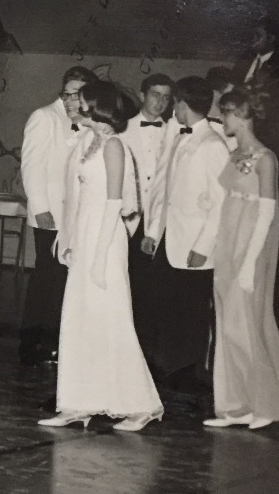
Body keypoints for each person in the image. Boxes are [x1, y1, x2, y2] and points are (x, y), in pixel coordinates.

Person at [38, 81, 162, 431]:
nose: (77, 104)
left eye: (83, 100)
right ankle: (77, 404)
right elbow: (77, 198)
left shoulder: (114, 146)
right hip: (86, 233)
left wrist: (97, 257)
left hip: (106, 240)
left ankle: (138, 406)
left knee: (111, 319)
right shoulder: (86, 142)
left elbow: (113, 204)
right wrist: (67, 238)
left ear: (99, 108)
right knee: (78, 319)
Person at [206, 89, 279, 430]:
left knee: (248, 324)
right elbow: (223, 200)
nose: (223, 120)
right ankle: (236, 405)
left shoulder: (266, 159)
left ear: (242, 117)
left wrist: (249, 263)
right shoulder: (234, 154)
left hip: (251, 245)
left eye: (227, 114)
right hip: (228, 242)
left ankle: (265, 403)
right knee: (228, 325)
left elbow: (266, 215)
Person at [141, 77, 230, 400]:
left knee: (192, 311)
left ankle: (188, 372)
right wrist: (153, 231)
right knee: (162, 304)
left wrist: (203, 246)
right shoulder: (178, 137)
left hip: (195, 245)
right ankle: (167, 365)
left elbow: (222, 202)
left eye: (174, 103)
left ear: (182, 103)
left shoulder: (213, 145)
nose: (171, 109)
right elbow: (164, 190)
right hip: (170, 238)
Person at [17, 65, 97, 365]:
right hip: (49, 215)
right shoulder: (44, 117)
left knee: (64, 281)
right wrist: (41, 211)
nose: (69, 100)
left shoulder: (86, 121)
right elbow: (31, 167)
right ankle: (31, 344)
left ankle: (54, 341)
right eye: (66, 93)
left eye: (76, 94)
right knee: (45, 280)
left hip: (74, 217)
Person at [119, 73, 172, 379]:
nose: (160, 102)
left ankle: (147, 357)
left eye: (166, 97)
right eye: (155, 94)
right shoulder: (123, 129)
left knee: (152, 292)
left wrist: (155, 229)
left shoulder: (175, 132)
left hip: (158, 222)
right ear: (142, 94)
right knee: (127, 288)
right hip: (128, 221)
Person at [232, 18, 279, 171]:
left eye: (259, 36)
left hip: (270, 139)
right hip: (243, 133)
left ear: (272, 38)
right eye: (252, 35)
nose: (253, 40)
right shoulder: (244, 60)